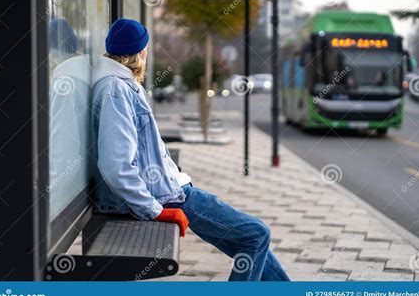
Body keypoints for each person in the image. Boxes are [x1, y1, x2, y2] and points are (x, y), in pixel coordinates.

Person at [91, 18, 290, 281]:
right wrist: (156, 210)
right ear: (141, 52)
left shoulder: (121, 84)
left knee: (252, 241)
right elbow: (116, 167)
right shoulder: (116, 89)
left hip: (168, 187)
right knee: (256, 235)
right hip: (167, 197)